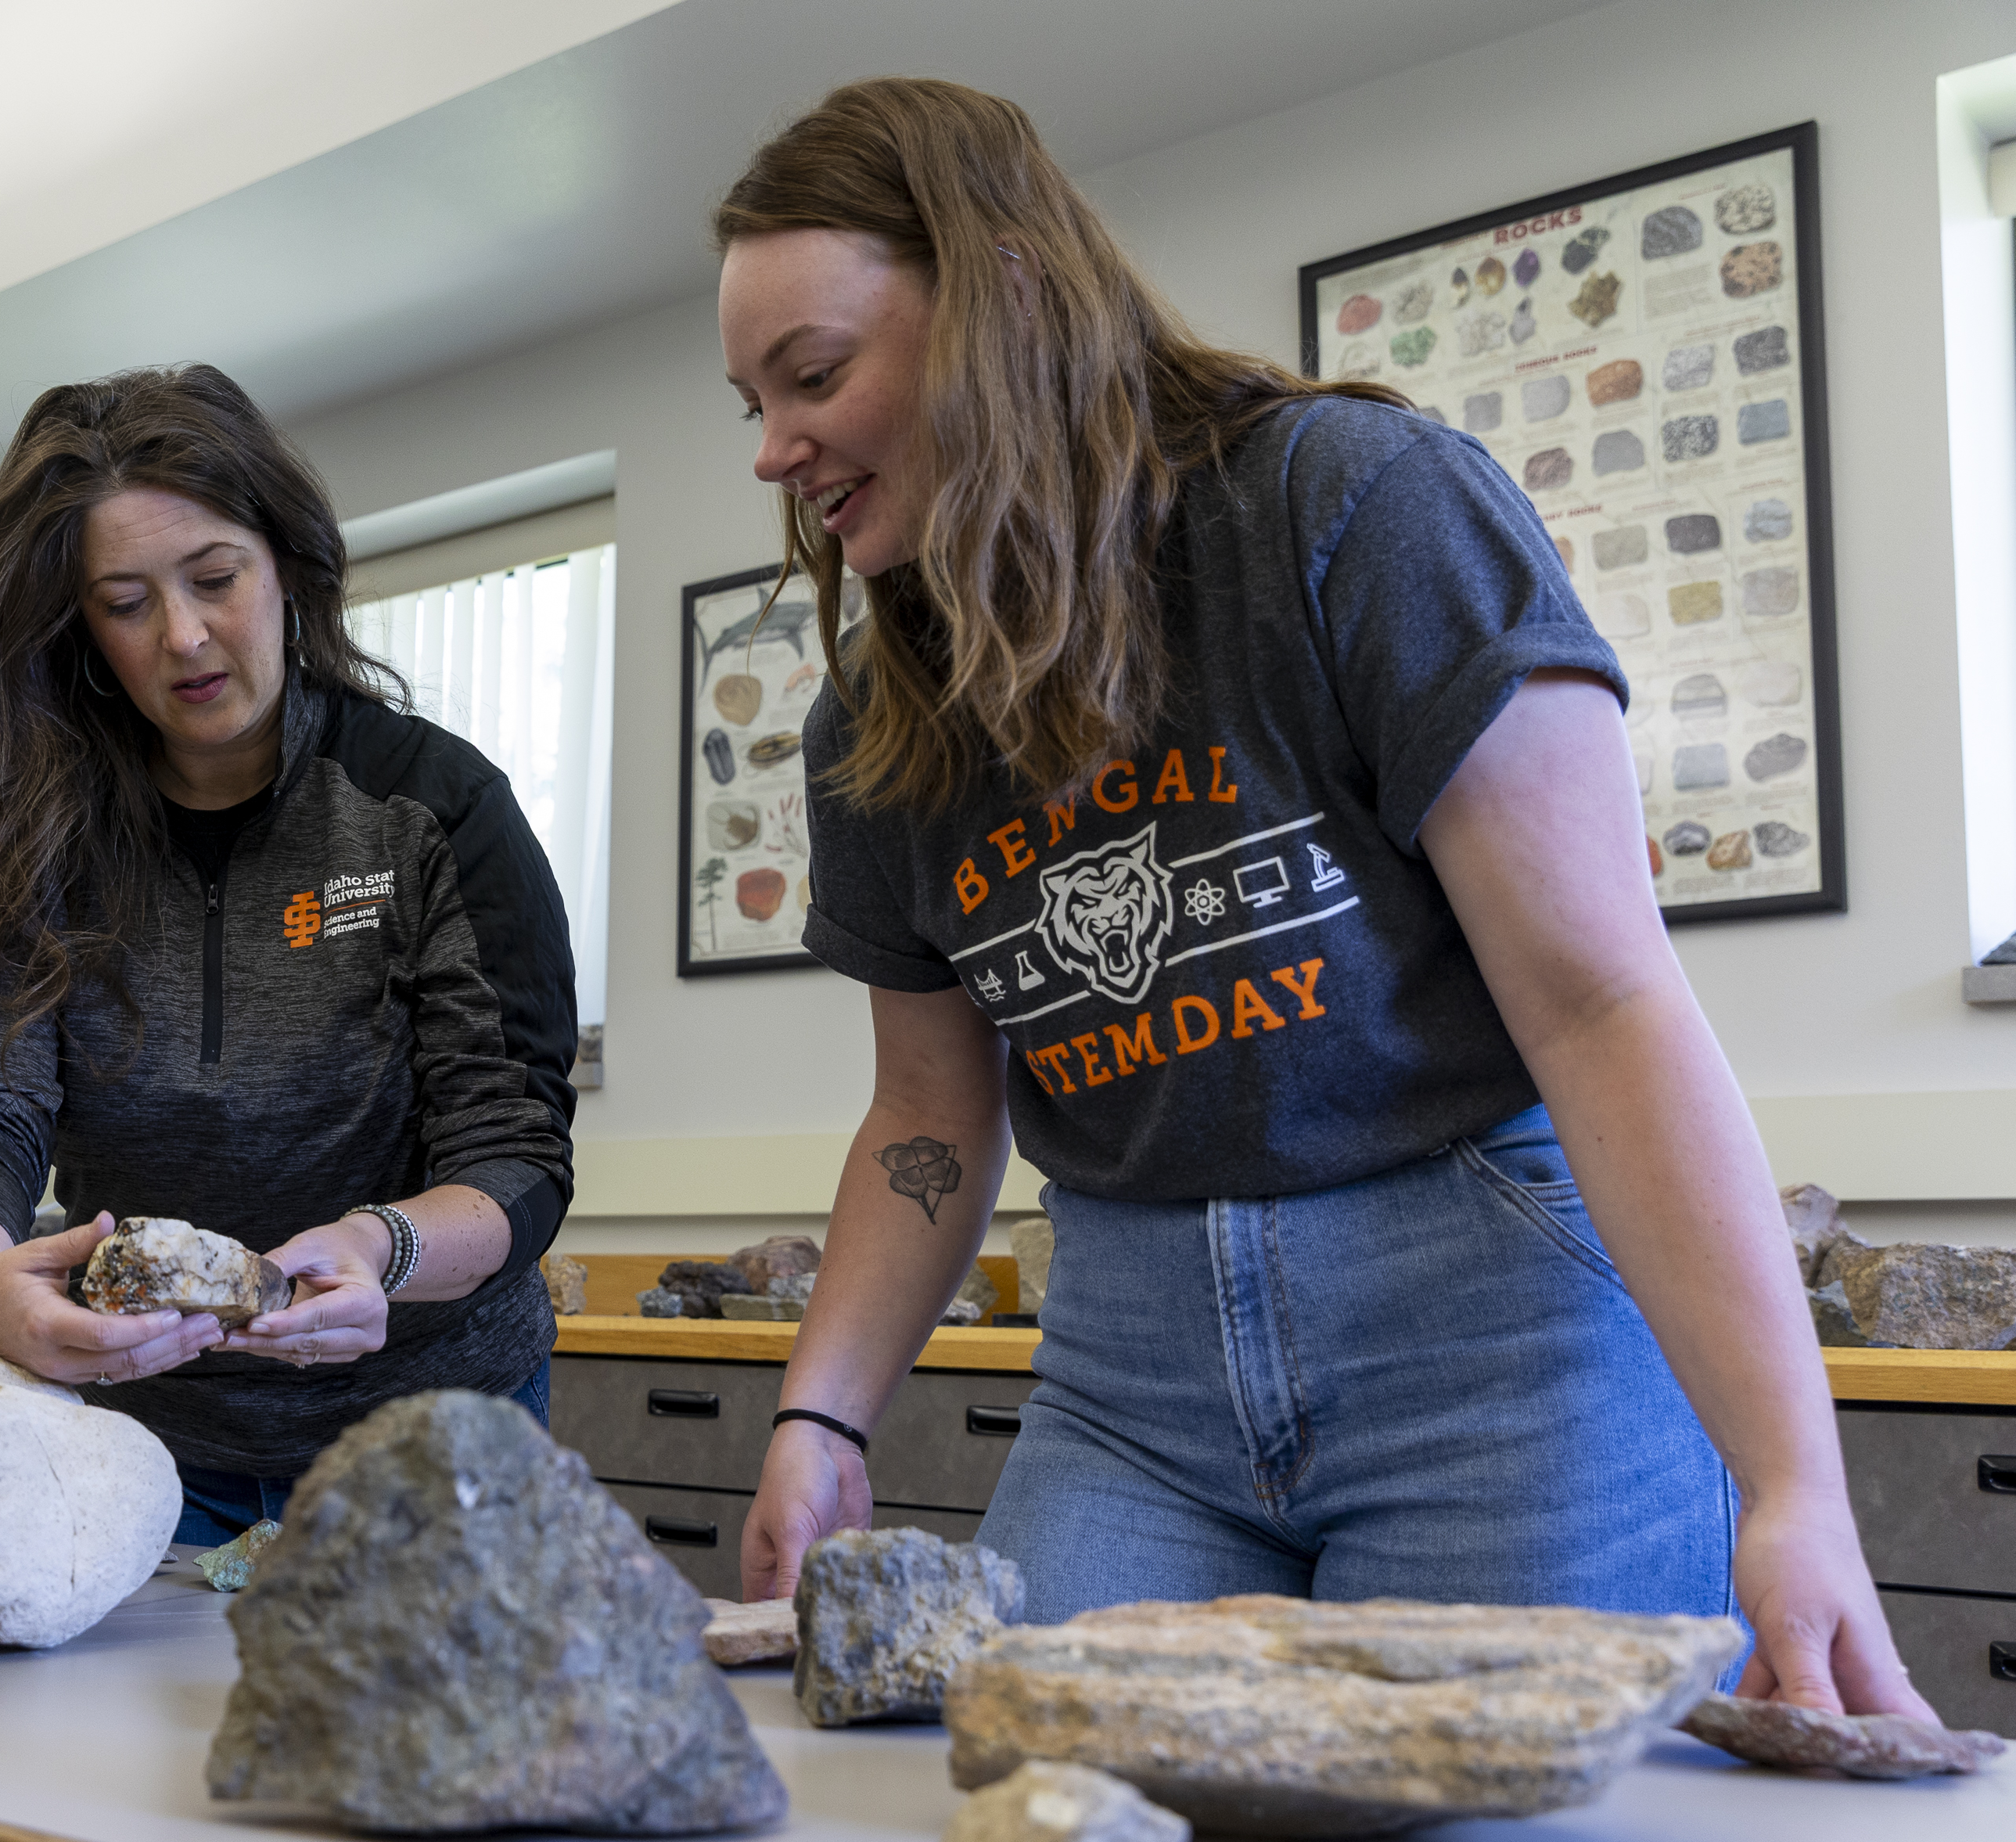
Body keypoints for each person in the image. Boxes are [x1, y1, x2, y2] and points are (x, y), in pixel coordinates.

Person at [720, 78, 1926, 1718]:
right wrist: (821, 1412)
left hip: (1486, 1335)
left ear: (1001, 301)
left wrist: (1791, 1482)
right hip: (1128, 1376)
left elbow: (1598, 1002)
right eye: (750, 400)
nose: (773, 450)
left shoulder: (1353, 507)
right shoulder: (874, 714)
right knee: (1041, 1824)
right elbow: (925, 1110)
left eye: (812, 376)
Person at [0, 363, 577, 1548]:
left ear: (288, 567)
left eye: (216, 579)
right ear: (81, 627)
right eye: (128, 602)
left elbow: (514, 1153)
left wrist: (381, 1248)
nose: (186, 637)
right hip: (137, 1449)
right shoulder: (26, 829)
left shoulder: (431, 807)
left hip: (427, 1437)